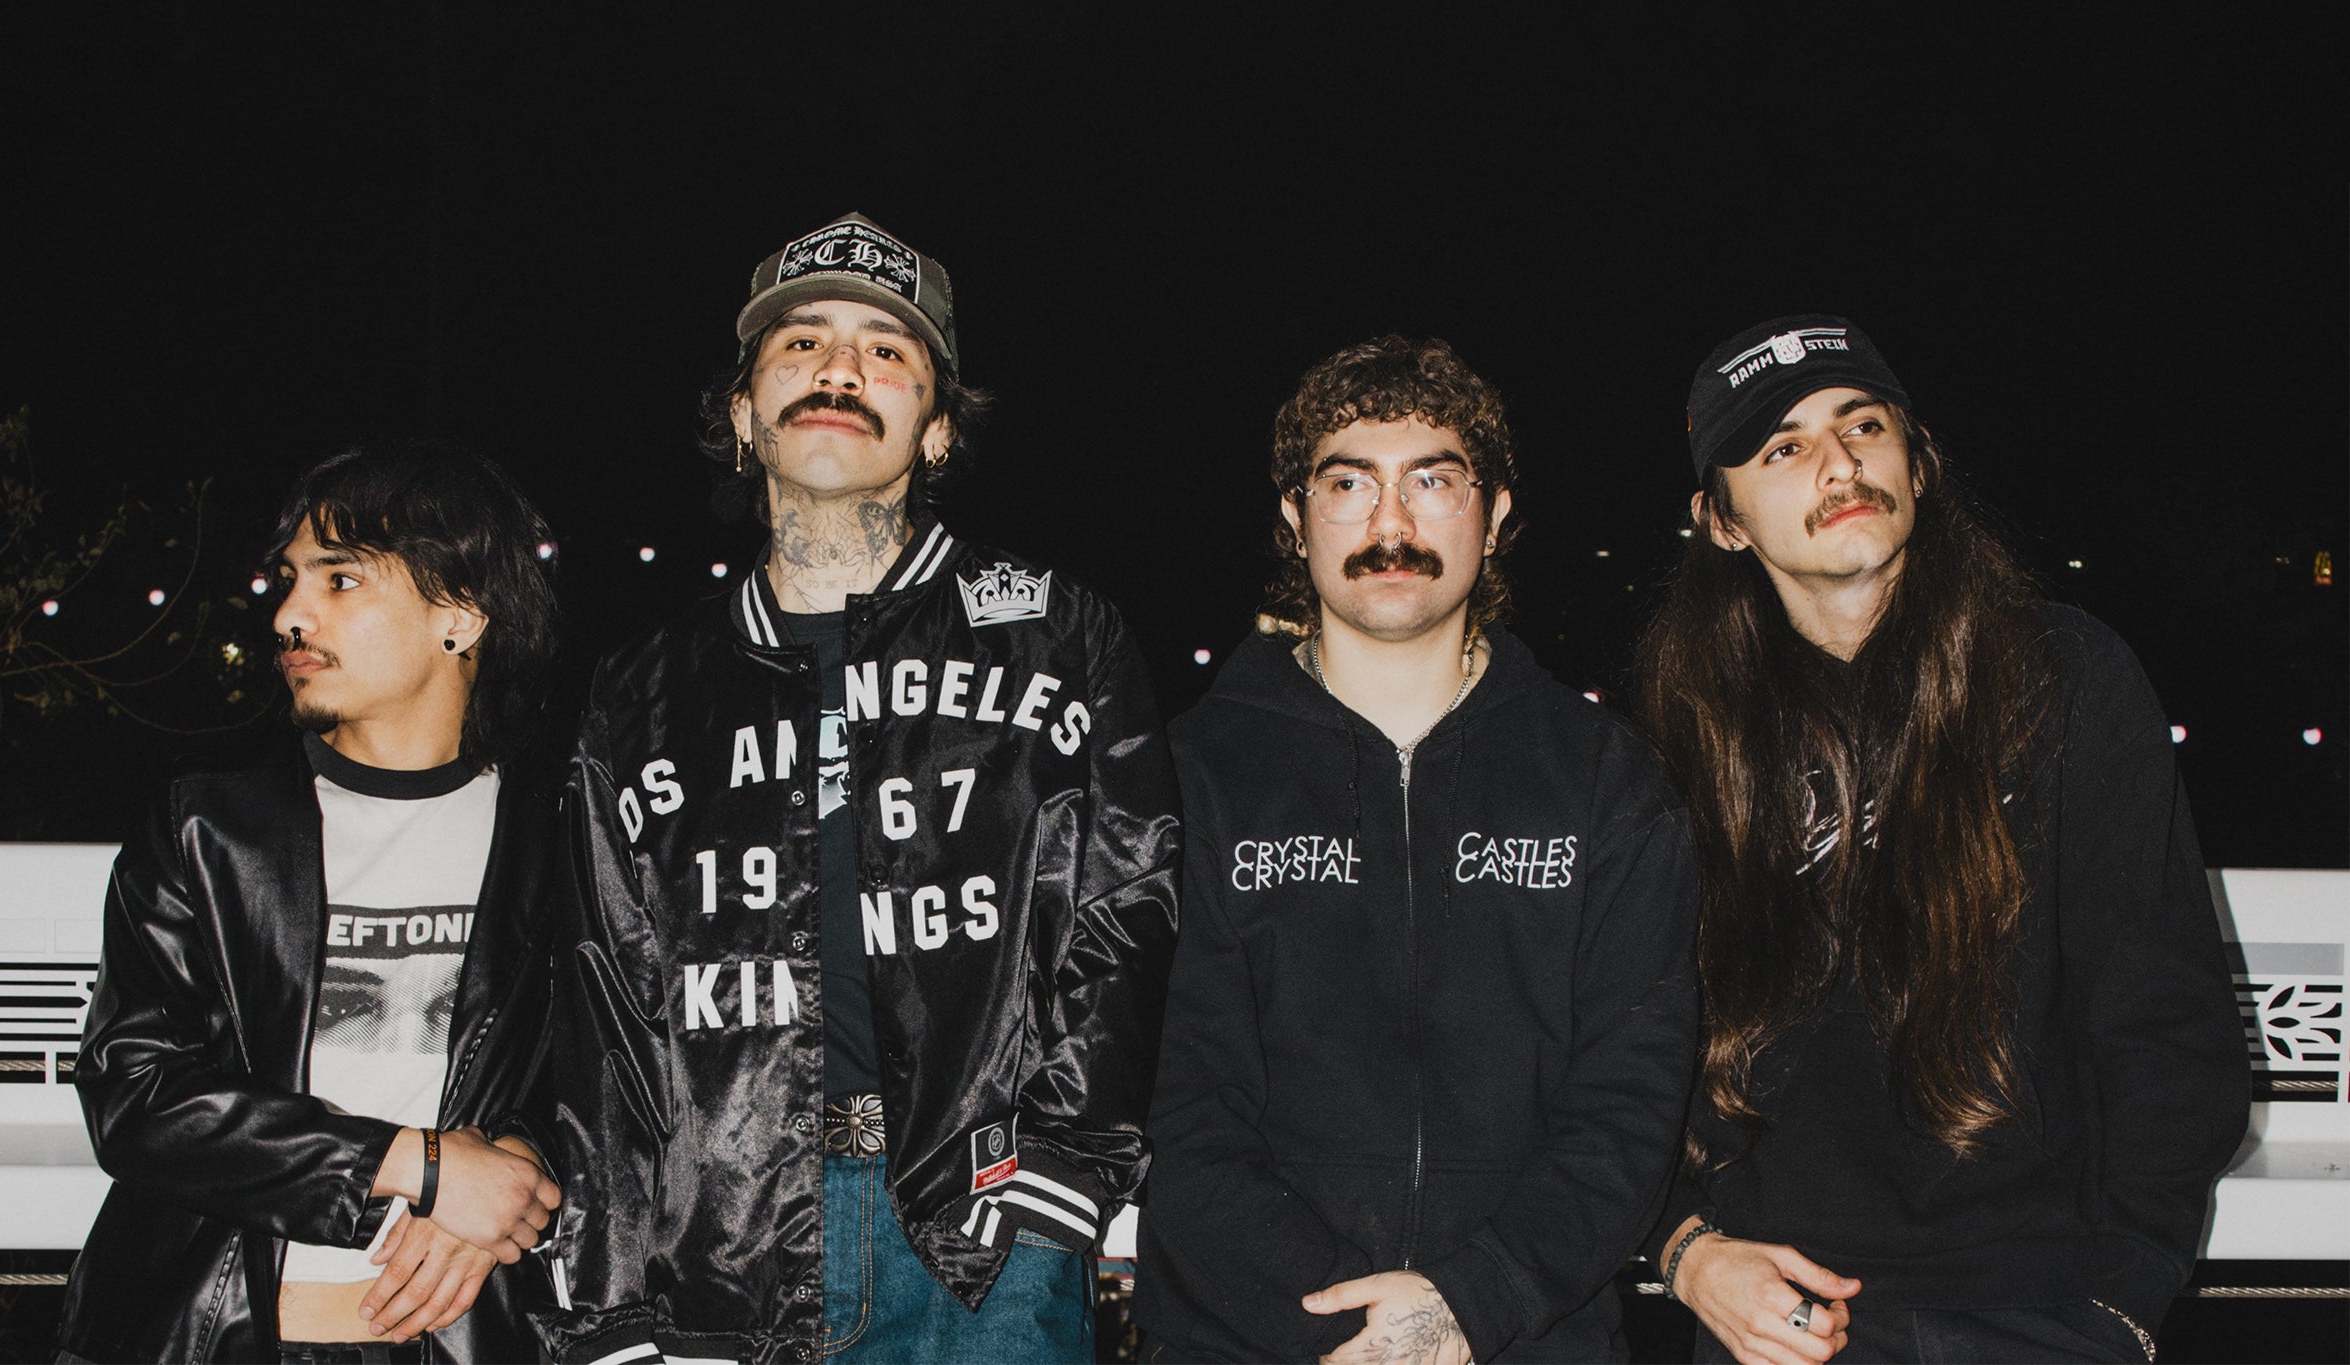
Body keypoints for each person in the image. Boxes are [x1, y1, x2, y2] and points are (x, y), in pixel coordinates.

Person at [535, 212, 1180, 1365]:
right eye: (801, 343)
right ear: (743, 414)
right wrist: (609, 1294)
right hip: (716, 1241)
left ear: (937, 427)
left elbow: (1126, 903)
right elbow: (603, 997)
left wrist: (1058, 1175)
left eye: (885, 350)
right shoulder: (640, 690)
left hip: (980, 1238)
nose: (838, 368)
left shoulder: (1056, 634)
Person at [1632, 315, 2250, 1364]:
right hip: (1774, 1314)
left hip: (2041, 1308)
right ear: (1721, 521)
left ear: (1916, 462)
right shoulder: (1675, 739)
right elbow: (1614, 1046)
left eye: (1862, 425)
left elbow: (2162, 1018)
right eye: (1782, 448)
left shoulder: (2066, 679)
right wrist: (1686, 1250)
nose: (1839, 464)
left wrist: (2123, 1300)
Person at [1136, 335, 1700, 1363]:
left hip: (1528, 1340)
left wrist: (1472, 1304)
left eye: (1433, 481)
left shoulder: (1604, 777)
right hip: (1251, 1342)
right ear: (1294, 517)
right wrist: (1357, 1331)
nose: (1389, 523)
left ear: (1496, 514)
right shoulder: (1187, 776)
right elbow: (1173, 1100)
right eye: (1348, 483)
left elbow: (1632, 1099)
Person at [58, 440, 567, 1364]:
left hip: (466, 1342)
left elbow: (617, 1079)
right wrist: (421, 1165)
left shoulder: (562, 844)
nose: (290, 614)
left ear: (459, 615)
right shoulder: (210, 831)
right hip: (211, 1337)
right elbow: (134, 1094)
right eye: (291, 580)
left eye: (340, 580)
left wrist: (524, 1167)